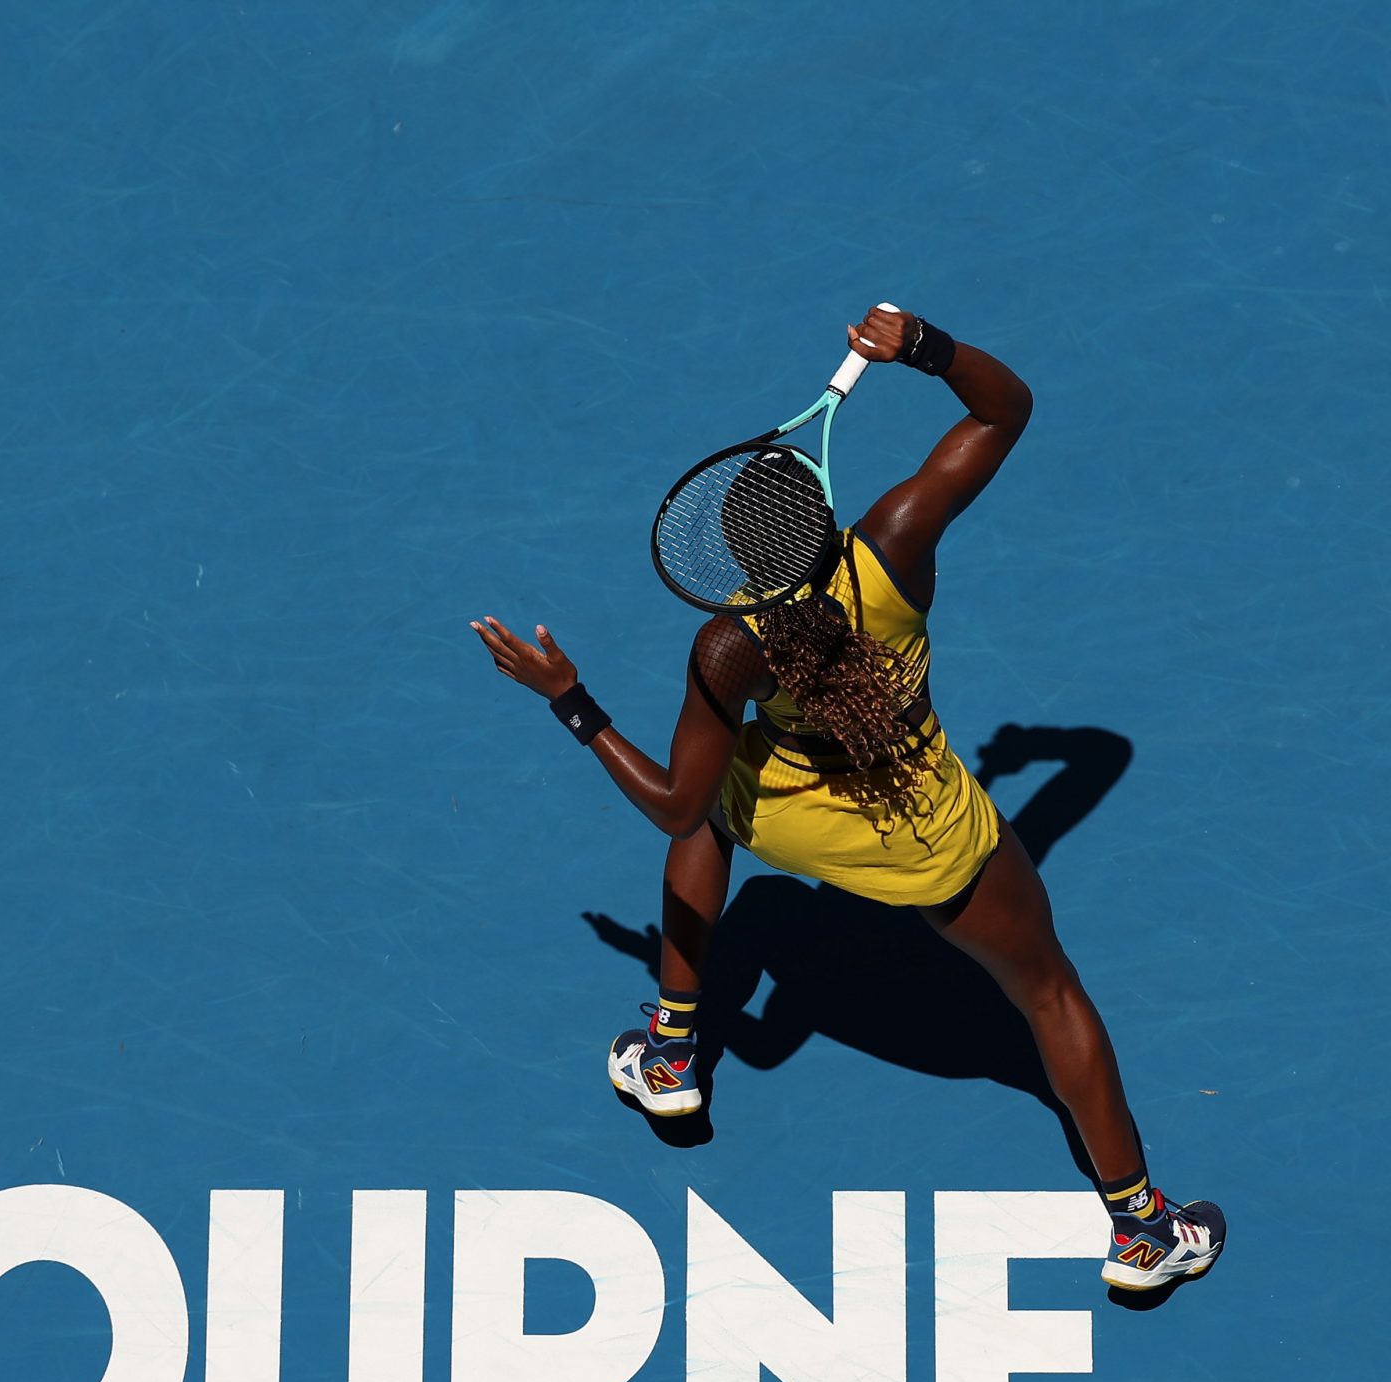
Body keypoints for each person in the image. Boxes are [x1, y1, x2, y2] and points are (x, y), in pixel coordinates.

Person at [470, 305, 1222, 1292]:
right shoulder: (896, 543)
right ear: (823, 521)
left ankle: (669, 1052)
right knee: (1047, 992)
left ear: (740, 563)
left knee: (708, 807)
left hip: (793, 810)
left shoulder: (728, 645)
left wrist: (569, 700)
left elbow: (670, 801)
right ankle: (1139, 1229)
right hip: (926, 832)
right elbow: (1005, 413)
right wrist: (921, 347)